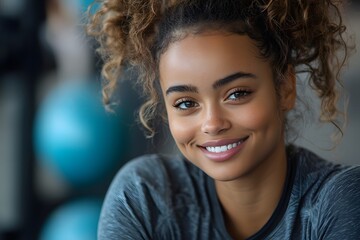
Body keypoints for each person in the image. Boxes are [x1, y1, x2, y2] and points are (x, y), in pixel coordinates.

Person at [87, 0, 360, 239]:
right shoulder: (145, 198)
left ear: (286, 87)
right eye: (186, 103)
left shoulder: (340, 201)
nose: (212, 123)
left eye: (237, 94)